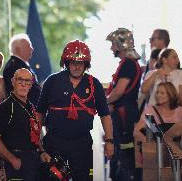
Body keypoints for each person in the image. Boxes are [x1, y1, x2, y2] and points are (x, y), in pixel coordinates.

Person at [36, 40, 114, 181]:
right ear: (66, 62)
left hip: (81, 143)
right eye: (73, 62)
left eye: (81, 62)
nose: (77, 66)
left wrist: (109, 141)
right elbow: (39, 112)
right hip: (54, 143)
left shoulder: (94, 83)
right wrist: (37, 143)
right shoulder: (52, 81)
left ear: (86, 64)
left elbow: (105, 114)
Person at [0, 68, 42, 181]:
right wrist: (12, 159)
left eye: (27, 81)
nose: (23, 84)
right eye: (20, 80)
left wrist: (42, 151)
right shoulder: (4, 108)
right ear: (13, 81)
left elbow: (35, 133)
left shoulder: (31, 106)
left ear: (31, 84)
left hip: (34, 161)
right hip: (16, 162)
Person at [106, 28, 141, 181]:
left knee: (125, 153)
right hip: (123, 113)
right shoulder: (126, 63)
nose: (111, 48)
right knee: (121, 151)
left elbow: (119, 91)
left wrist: (103, 102)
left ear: (121, 44)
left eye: (113, 44)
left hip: (124, 115)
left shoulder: (128, 64)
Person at [3, 33, 41, 107]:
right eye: (28, 46)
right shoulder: (15, 67)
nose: (32, 49)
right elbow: (28, 91)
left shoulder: (19, 64)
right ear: (17, 49)